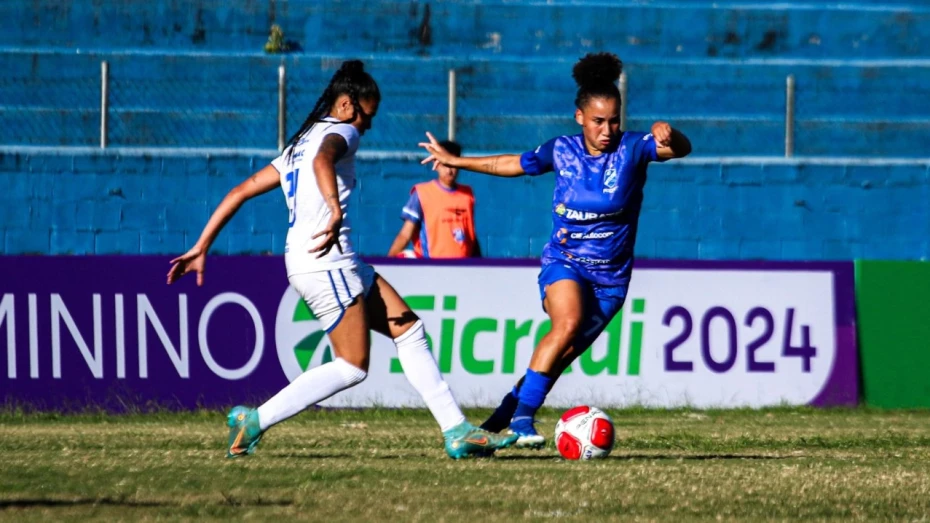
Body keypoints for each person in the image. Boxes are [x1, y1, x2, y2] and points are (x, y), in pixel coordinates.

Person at [167, 60, 517, 459]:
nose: (368, 125)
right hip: (325, 260)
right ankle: (257, 420)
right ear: (349, 105)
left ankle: (457, 431)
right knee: (352, 366)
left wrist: (202, 244)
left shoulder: (298, 143)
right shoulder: (342, 131)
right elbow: (323, 161)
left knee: (410, 330)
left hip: (323, 259)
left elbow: (240, 190)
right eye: (368, 115)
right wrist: (334, 210)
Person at [418, 52, 692, 448]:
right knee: (564, 325)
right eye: (598, 121)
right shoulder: (561, 150)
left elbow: (681, 149)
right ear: (580, 117)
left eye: (614, 120)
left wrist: (672, 134)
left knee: (558, 356)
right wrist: (455, 160)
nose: (608, 129)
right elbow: (510, 163)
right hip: (565, 262)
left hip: (610, 281)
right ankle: (524, 422)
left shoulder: (633, 148)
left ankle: (492, 428)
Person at [387, 140, 481, 258]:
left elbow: (470, 235)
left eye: (453, 165)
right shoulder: (422, 193)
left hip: (462, 268)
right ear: (435, 164)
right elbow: (405, 234)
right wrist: (387, 265)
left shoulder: (467, 194)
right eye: (445, 164)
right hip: (432, 268)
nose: (449, 170)